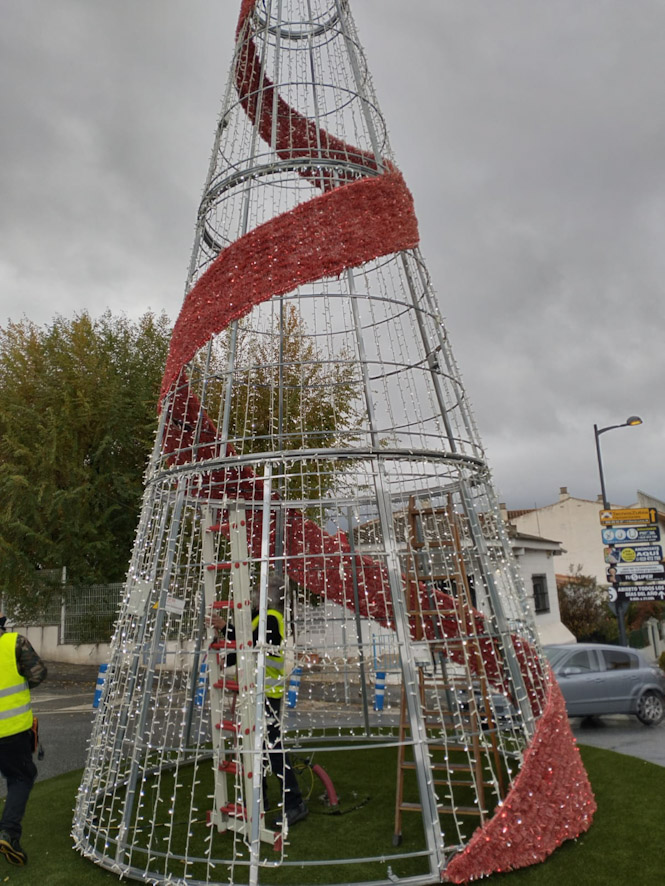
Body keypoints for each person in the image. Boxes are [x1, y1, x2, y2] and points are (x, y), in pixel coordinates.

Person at [211, 573, 308, 828]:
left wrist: (225, 630)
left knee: (272, 751)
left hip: (266, 692)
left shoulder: (271, 619)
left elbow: (254, 646)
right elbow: (249, 648)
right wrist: (227, 653)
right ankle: (260, 801)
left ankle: (294, 804)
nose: (252, 595)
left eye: (256, 591)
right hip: (257, 691)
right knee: (258, 751)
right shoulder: (260, 618)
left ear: (268, 596)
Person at [0, 614, 47, 866]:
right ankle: (8, 833)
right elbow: (39, 673)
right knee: (21, 777)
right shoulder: (14, 643)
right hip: (11, 731)